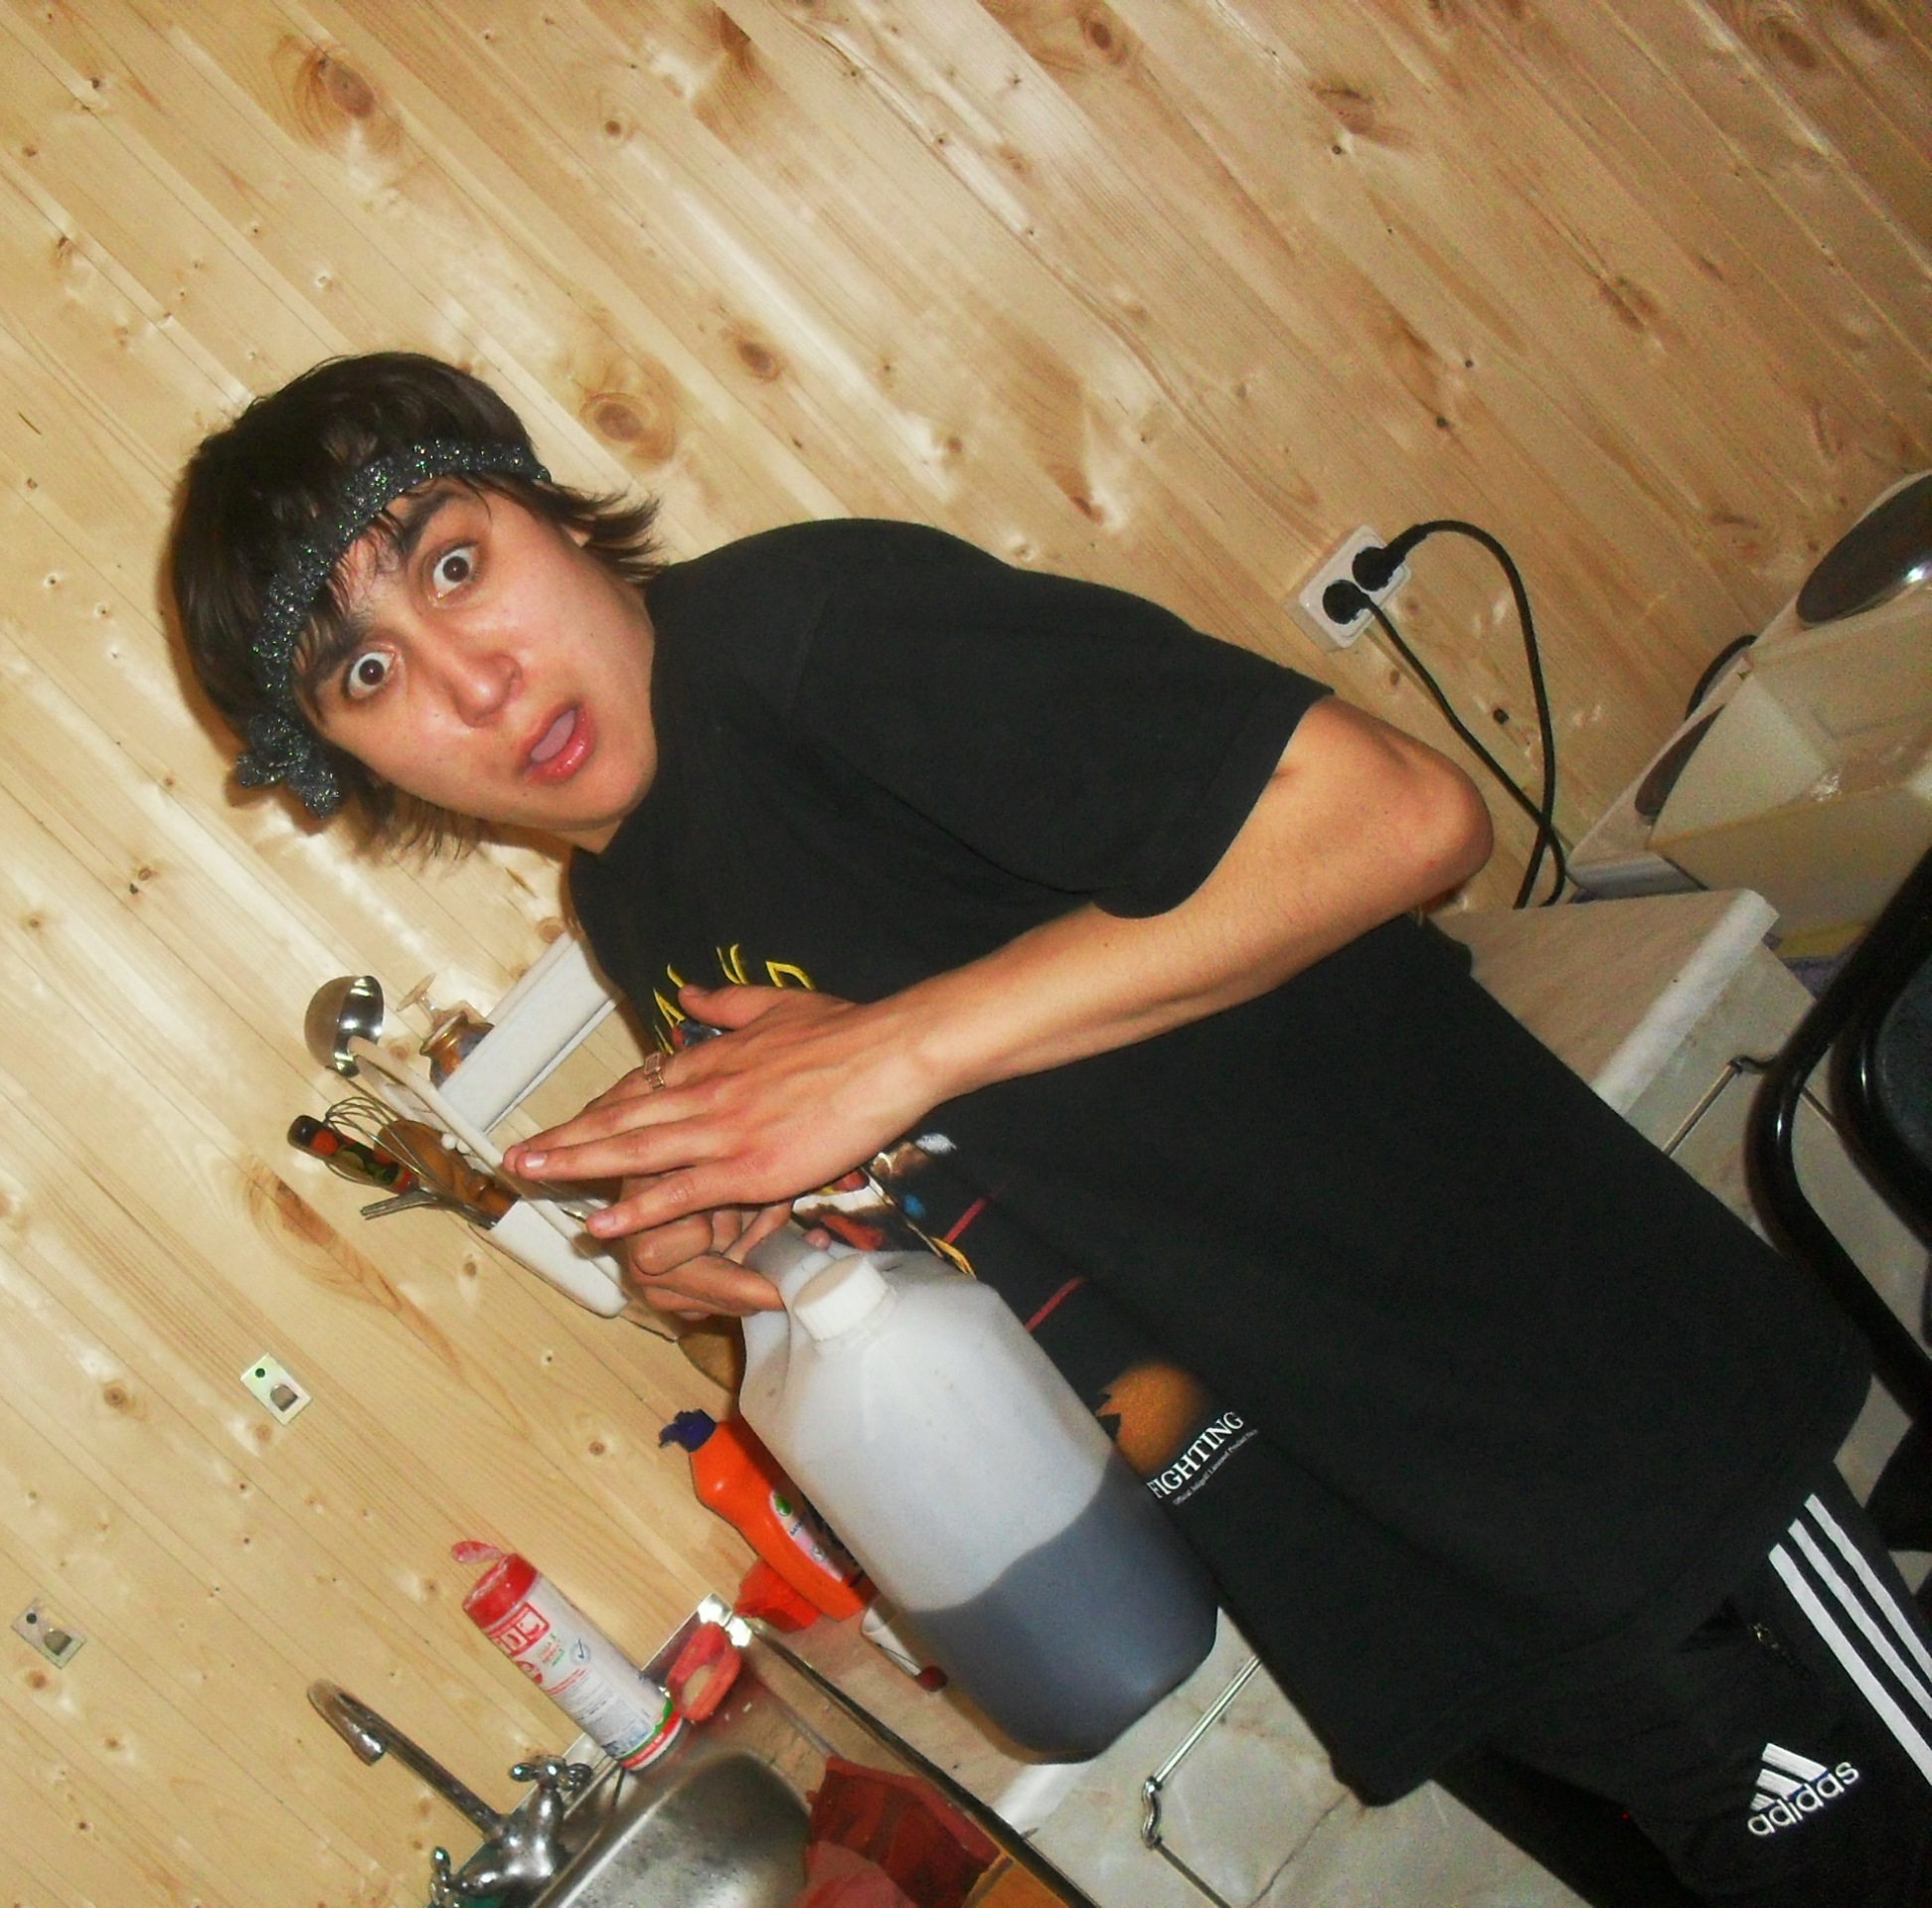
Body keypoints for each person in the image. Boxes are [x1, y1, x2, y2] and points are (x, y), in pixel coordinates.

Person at [170, 352, 1929, 1905]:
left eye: (456, 565)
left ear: (550, 515)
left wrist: (891, 1056)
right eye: (371, 673)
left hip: (1578, 1442)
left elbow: (1394, 817)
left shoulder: (811, 636)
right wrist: (745, 1258)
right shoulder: (628, 902)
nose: (473, 683)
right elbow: (998, 1156)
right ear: (354, 764)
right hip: (1368, 1569)